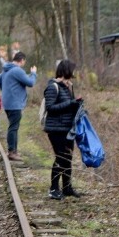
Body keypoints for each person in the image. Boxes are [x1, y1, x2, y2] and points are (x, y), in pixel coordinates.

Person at [42, 58, 83, 200]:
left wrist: (77, 104)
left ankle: (67, 188)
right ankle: (53, 189)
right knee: (61, 158)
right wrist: (71, 103)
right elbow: (51, 108)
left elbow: (69, 106)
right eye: (72, 70)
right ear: (66, 70)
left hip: (67, 129)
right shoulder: (53, 87)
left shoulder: (68, 86)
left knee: (68, 158)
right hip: (56, 130)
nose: (74, 72)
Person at [0, 51, 37, 161]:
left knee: (13, 126)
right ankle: (12, 152)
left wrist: (5, 91)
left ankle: (13, 151)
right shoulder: (17, 70)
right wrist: (33, 73)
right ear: (22, 60)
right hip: (15, 104)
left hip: (8, 103)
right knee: (13, 128)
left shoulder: (6, 70)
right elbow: (30, 83)